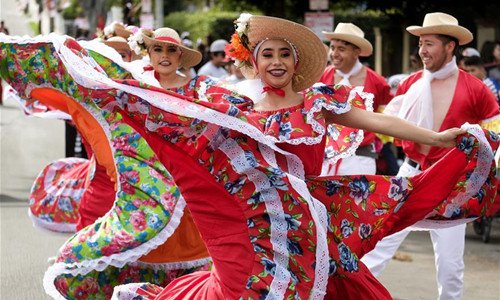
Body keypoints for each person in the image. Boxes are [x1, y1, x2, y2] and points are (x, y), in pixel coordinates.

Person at [0, 14, 497, 300]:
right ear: (253, 61)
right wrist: (108, 86)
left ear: (296, 61)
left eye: (285, 53)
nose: (277, 61)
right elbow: (171, 120)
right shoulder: (232, 108)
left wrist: (441, 138)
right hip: (250, 232)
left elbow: (380, 124)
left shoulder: (318, 103)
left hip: (313, 224)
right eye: (267, 54)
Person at [363, 12, 500, 300]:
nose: (422, 50)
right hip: (410, 173)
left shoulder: (475, 88)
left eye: (429, 43)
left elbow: (495, 129)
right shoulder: (410, 83)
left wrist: (480, 171)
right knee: (379, 242)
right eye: (421, 43)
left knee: (450, 265)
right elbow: (389, 124)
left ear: (450, 47)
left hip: (451, 182)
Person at [320, 23, 393, 176]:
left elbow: (388, 115)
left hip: (362, 158)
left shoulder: (378, 82)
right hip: (325, 158)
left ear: (356, 52)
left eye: (341, 49)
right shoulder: (322, 77)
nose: (334, 54)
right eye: (332, 48)